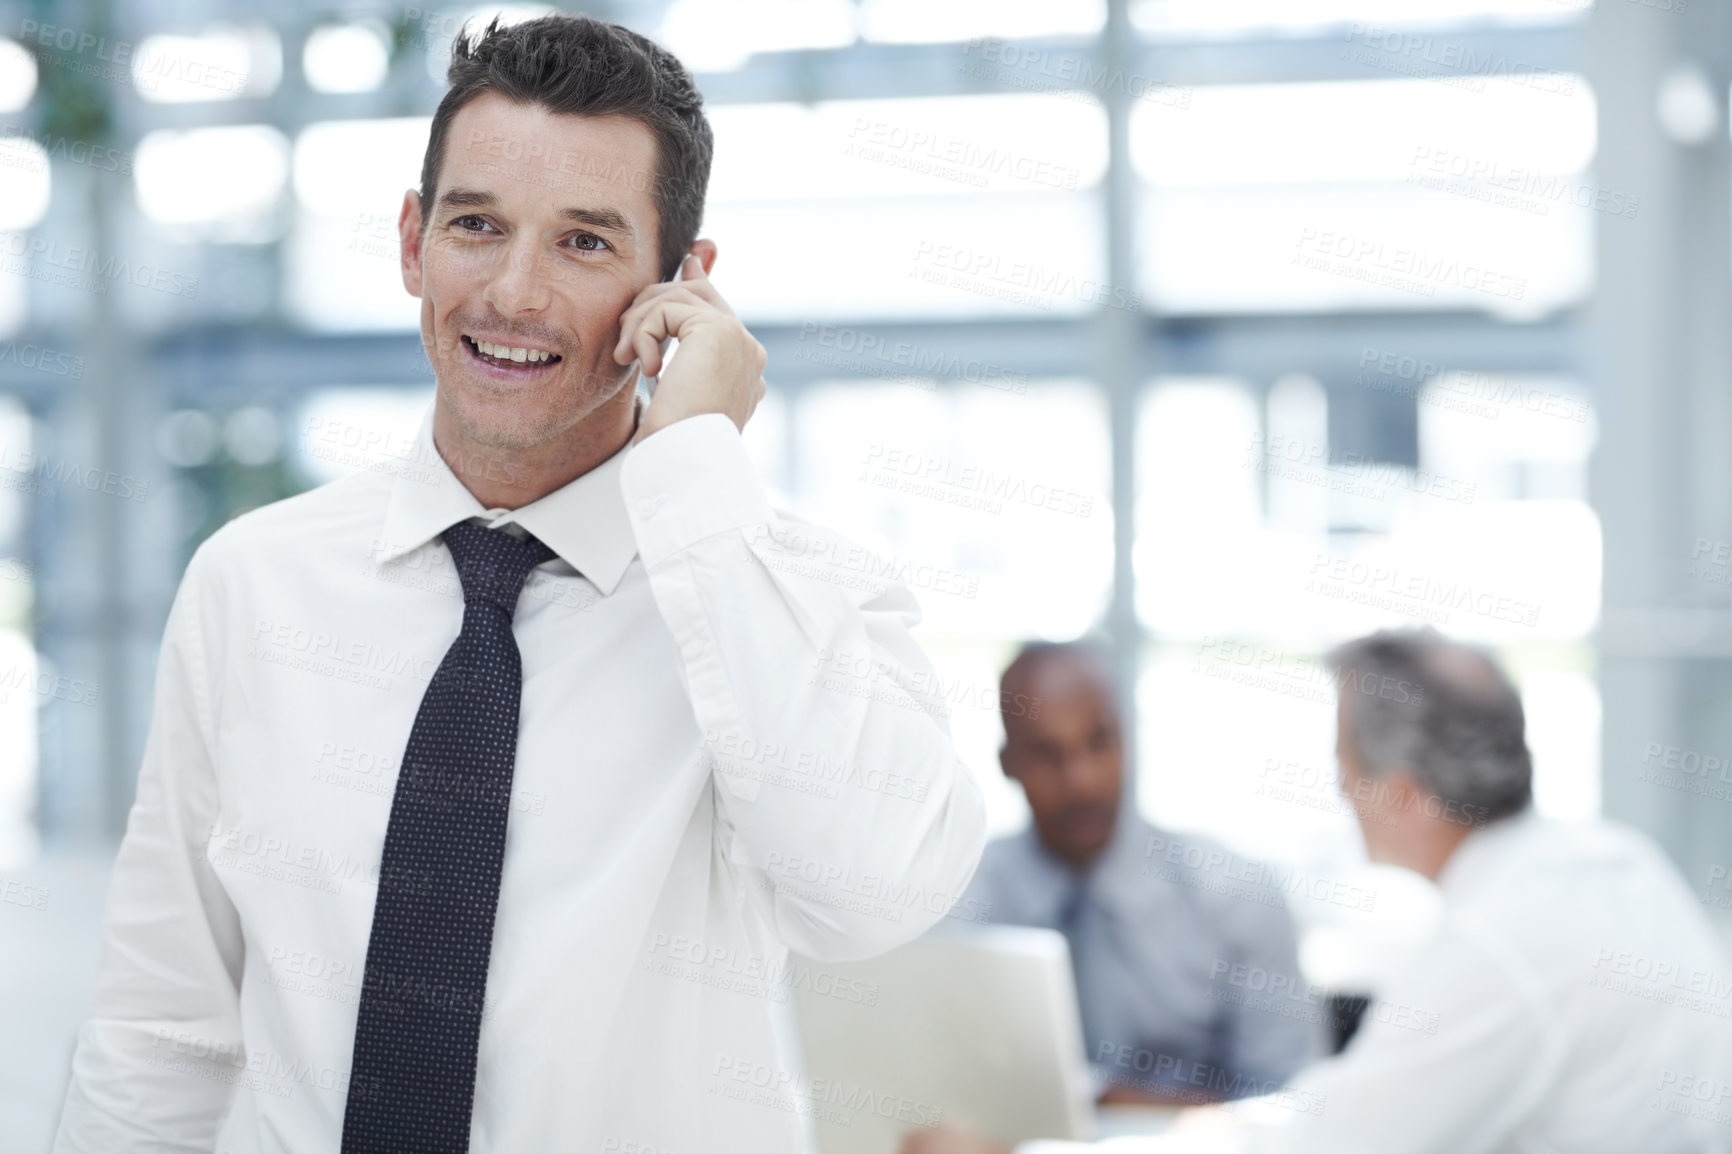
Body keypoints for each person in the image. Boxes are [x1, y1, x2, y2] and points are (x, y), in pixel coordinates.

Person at [52, 15, 986, 1154]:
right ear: (412, 240)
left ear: (680, 286)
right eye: (477, 225)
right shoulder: (253, 584)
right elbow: (161, 1030)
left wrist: (697, 468)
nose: (511, 292)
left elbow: (872, 891)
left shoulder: (778, 591)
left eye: (585, 243)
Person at [906, 628, 1732, 1154]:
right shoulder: (1615, 864)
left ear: (1404, 796)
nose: (1338, 790)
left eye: (1347, 765)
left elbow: (1330, 1144)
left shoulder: (1501, 951)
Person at [956, 641, 1313, 1106]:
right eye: (1048, 754)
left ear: (1127, 740)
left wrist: (1110, 1104)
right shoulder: (959, 903)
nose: (1081, 781)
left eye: (1098, 742)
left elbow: (1290, 1105)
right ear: (1008, 765)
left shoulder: (1238, 895)